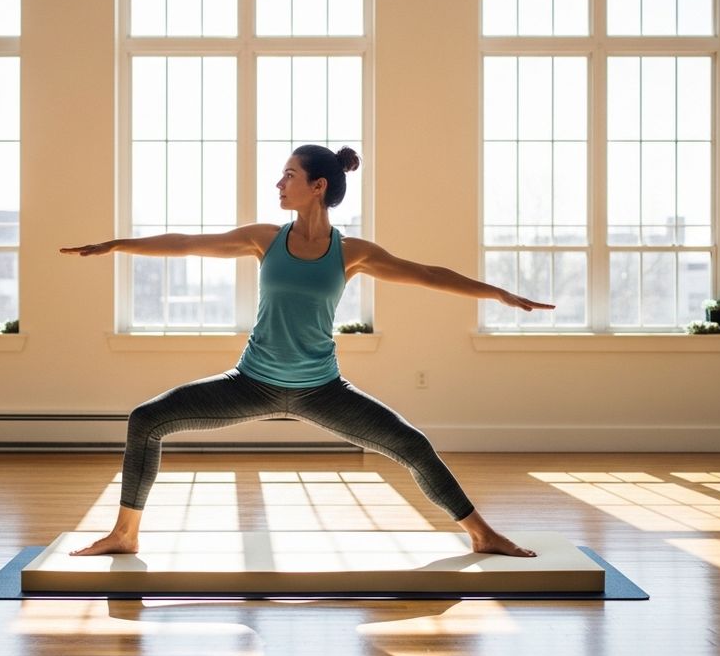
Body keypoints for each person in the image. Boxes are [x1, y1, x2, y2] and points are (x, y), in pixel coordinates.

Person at [59, 145, 554, 558]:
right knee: (146, 419)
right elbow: (189, 243)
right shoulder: (264, 239)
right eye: (281, 176)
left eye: (289, 175)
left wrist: (498, 294)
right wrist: (118, 245)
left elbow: (427, 274)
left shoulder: (352, 251)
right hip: (250, 384)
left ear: (317, 186)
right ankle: (124, 534)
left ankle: (482, 534)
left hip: (322, 390)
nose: (279, 184)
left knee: (414, 446)